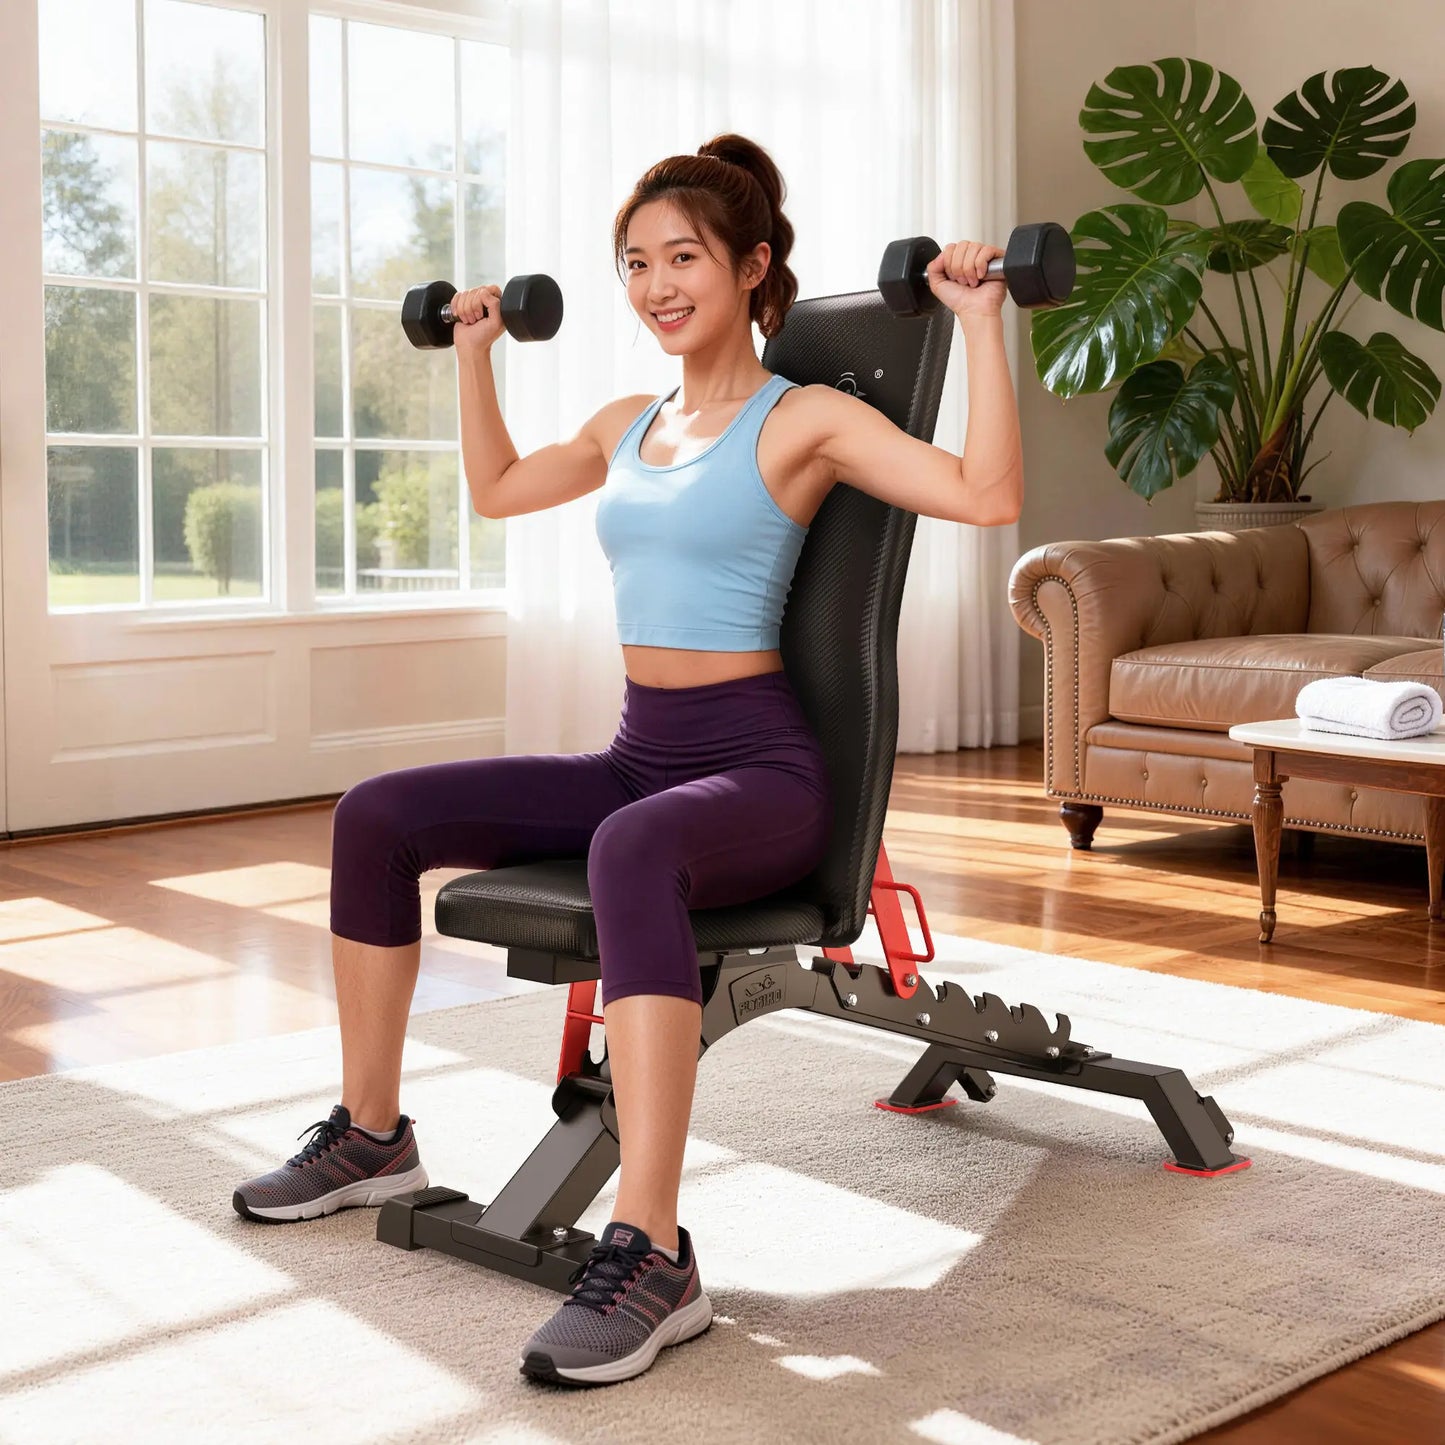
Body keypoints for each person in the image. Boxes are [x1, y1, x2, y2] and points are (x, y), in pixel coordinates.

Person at [233, 132, 1023, 1386]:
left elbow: (984, 496)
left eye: (685, 258)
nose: (657, 285)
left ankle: (652, 1250)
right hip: (637, 754)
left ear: (754, 265)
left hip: (759, 776)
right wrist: (475, 351)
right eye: (636, 263)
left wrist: (979, 320)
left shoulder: (805, 418)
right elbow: (494, 489)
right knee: (374, 813)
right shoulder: (626, 419)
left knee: (632, 842)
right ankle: (373, 1134)